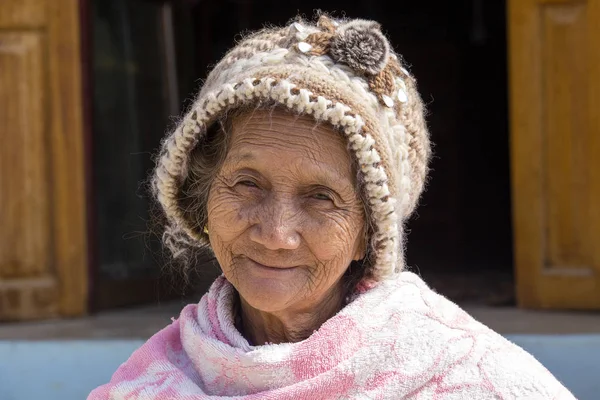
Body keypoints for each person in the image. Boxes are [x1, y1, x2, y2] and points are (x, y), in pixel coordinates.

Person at [88, 15, 575, 399]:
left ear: (370, 230)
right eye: (248, 183)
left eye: (321, 197)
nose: (276, 233)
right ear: (204, 193)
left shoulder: (471, 379)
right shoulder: (153, 381)